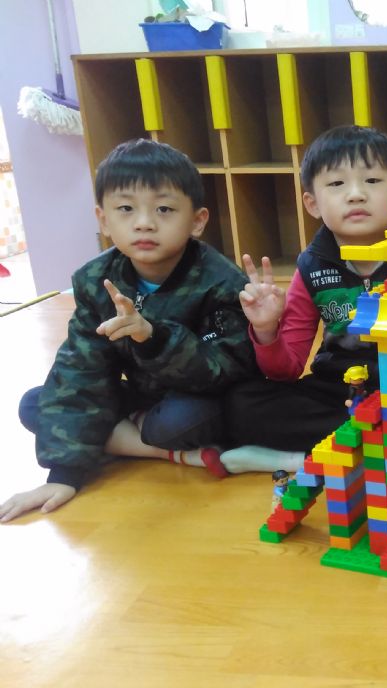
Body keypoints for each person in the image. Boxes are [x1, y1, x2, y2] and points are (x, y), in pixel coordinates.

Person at [0, 139, 259, 523]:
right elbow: (81, 369)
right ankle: (163, 451)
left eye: (164, 209)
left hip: (196, 396)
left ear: (197, 220)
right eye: (125, 209)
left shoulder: (220, 282)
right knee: (36, 403)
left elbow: (225, 369)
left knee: (181, 421)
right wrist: (64, 475)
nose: (144, 222)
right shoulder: (96, 280)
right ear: (104, 219)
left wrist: (153, 338)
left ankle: (131, 438)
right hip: (139, 395)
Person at [220, 125, 387, 474]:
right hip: (339, 389)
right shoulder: (311, 266)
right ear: (312, 203)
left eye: (372, 181)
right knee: (241, 406)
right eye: (337, 183)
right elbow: (286, 369)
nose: (356, 195)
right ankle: (350, 453)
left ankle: (326, 455)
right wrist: (266, 330)